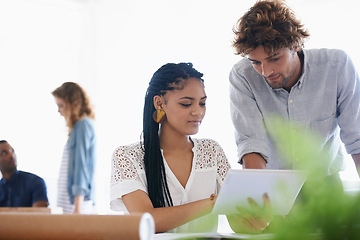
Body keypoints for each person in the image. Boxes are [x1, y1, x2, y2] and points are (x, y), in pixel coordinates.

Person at [110, 62, 271, 233]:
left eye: (202, 103)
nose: (198, 112)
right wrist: (212, 203)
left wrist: (258, 220)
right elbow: (146, 219)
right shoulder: (127, 156)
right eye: (186, 104)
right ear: (159, 103)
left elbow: (238, 222)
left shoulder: (212, 151)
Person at [229, 0, 360, 178]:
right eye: (256, 62)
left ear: (296, 45)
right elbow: (251, 144)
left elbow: (357, 139)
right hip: (275, 186)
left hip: (325, 186)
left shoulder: (337, 66)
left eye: (274, 58)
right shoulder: (243, 76)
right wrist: (260, 196)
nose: (266, 72)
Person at [52, 82, 96, 214]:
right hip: (71, 200)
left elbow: (81, 166)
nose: (59, 110)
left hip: (77, 202)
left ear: (72, 104)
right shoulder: (77, 127)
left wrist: (78, 205)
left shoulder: (83, 126)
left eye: (61, 106)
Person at [0, 140, 48, 207]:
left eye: (12, 151)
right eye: (4, 153)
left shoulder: (35, 182)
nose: (11, 155)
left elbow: (39, 216)